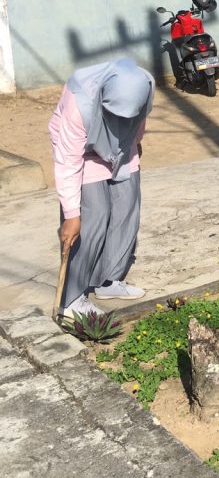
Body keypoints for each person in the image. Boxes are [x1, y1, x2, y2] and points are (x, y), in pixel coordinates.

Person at [49, 58, 154, 317]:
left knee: (126, 210)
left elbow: (139, 121)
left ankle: (109, 281)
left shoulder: (145, 83)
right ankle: (72, 299)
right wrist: (72, 214)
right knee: (94, 215)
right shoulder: (79, 101)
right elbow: (68, 162)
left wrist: (133, 141)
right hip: (83, 152)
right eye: (115, 114)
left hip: (123, 145)